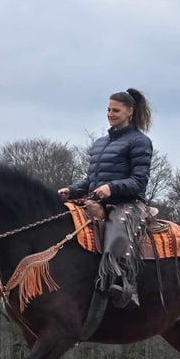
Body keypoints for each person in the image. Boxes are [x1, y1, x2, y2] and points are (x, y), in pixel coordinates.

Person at [58, 88, 153, 309]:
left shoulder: (140, 141)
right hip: (97, 201)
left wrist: (111, 188)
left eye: (116, 110)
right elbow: (91, 180)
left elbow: (139, 181)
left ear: (130, 111)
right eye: (108, 109)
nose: (110, 114)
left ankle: (122, 284)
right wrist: (71, 191)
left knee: (116, 233)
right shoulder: (100, 143)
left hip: (127, 203)